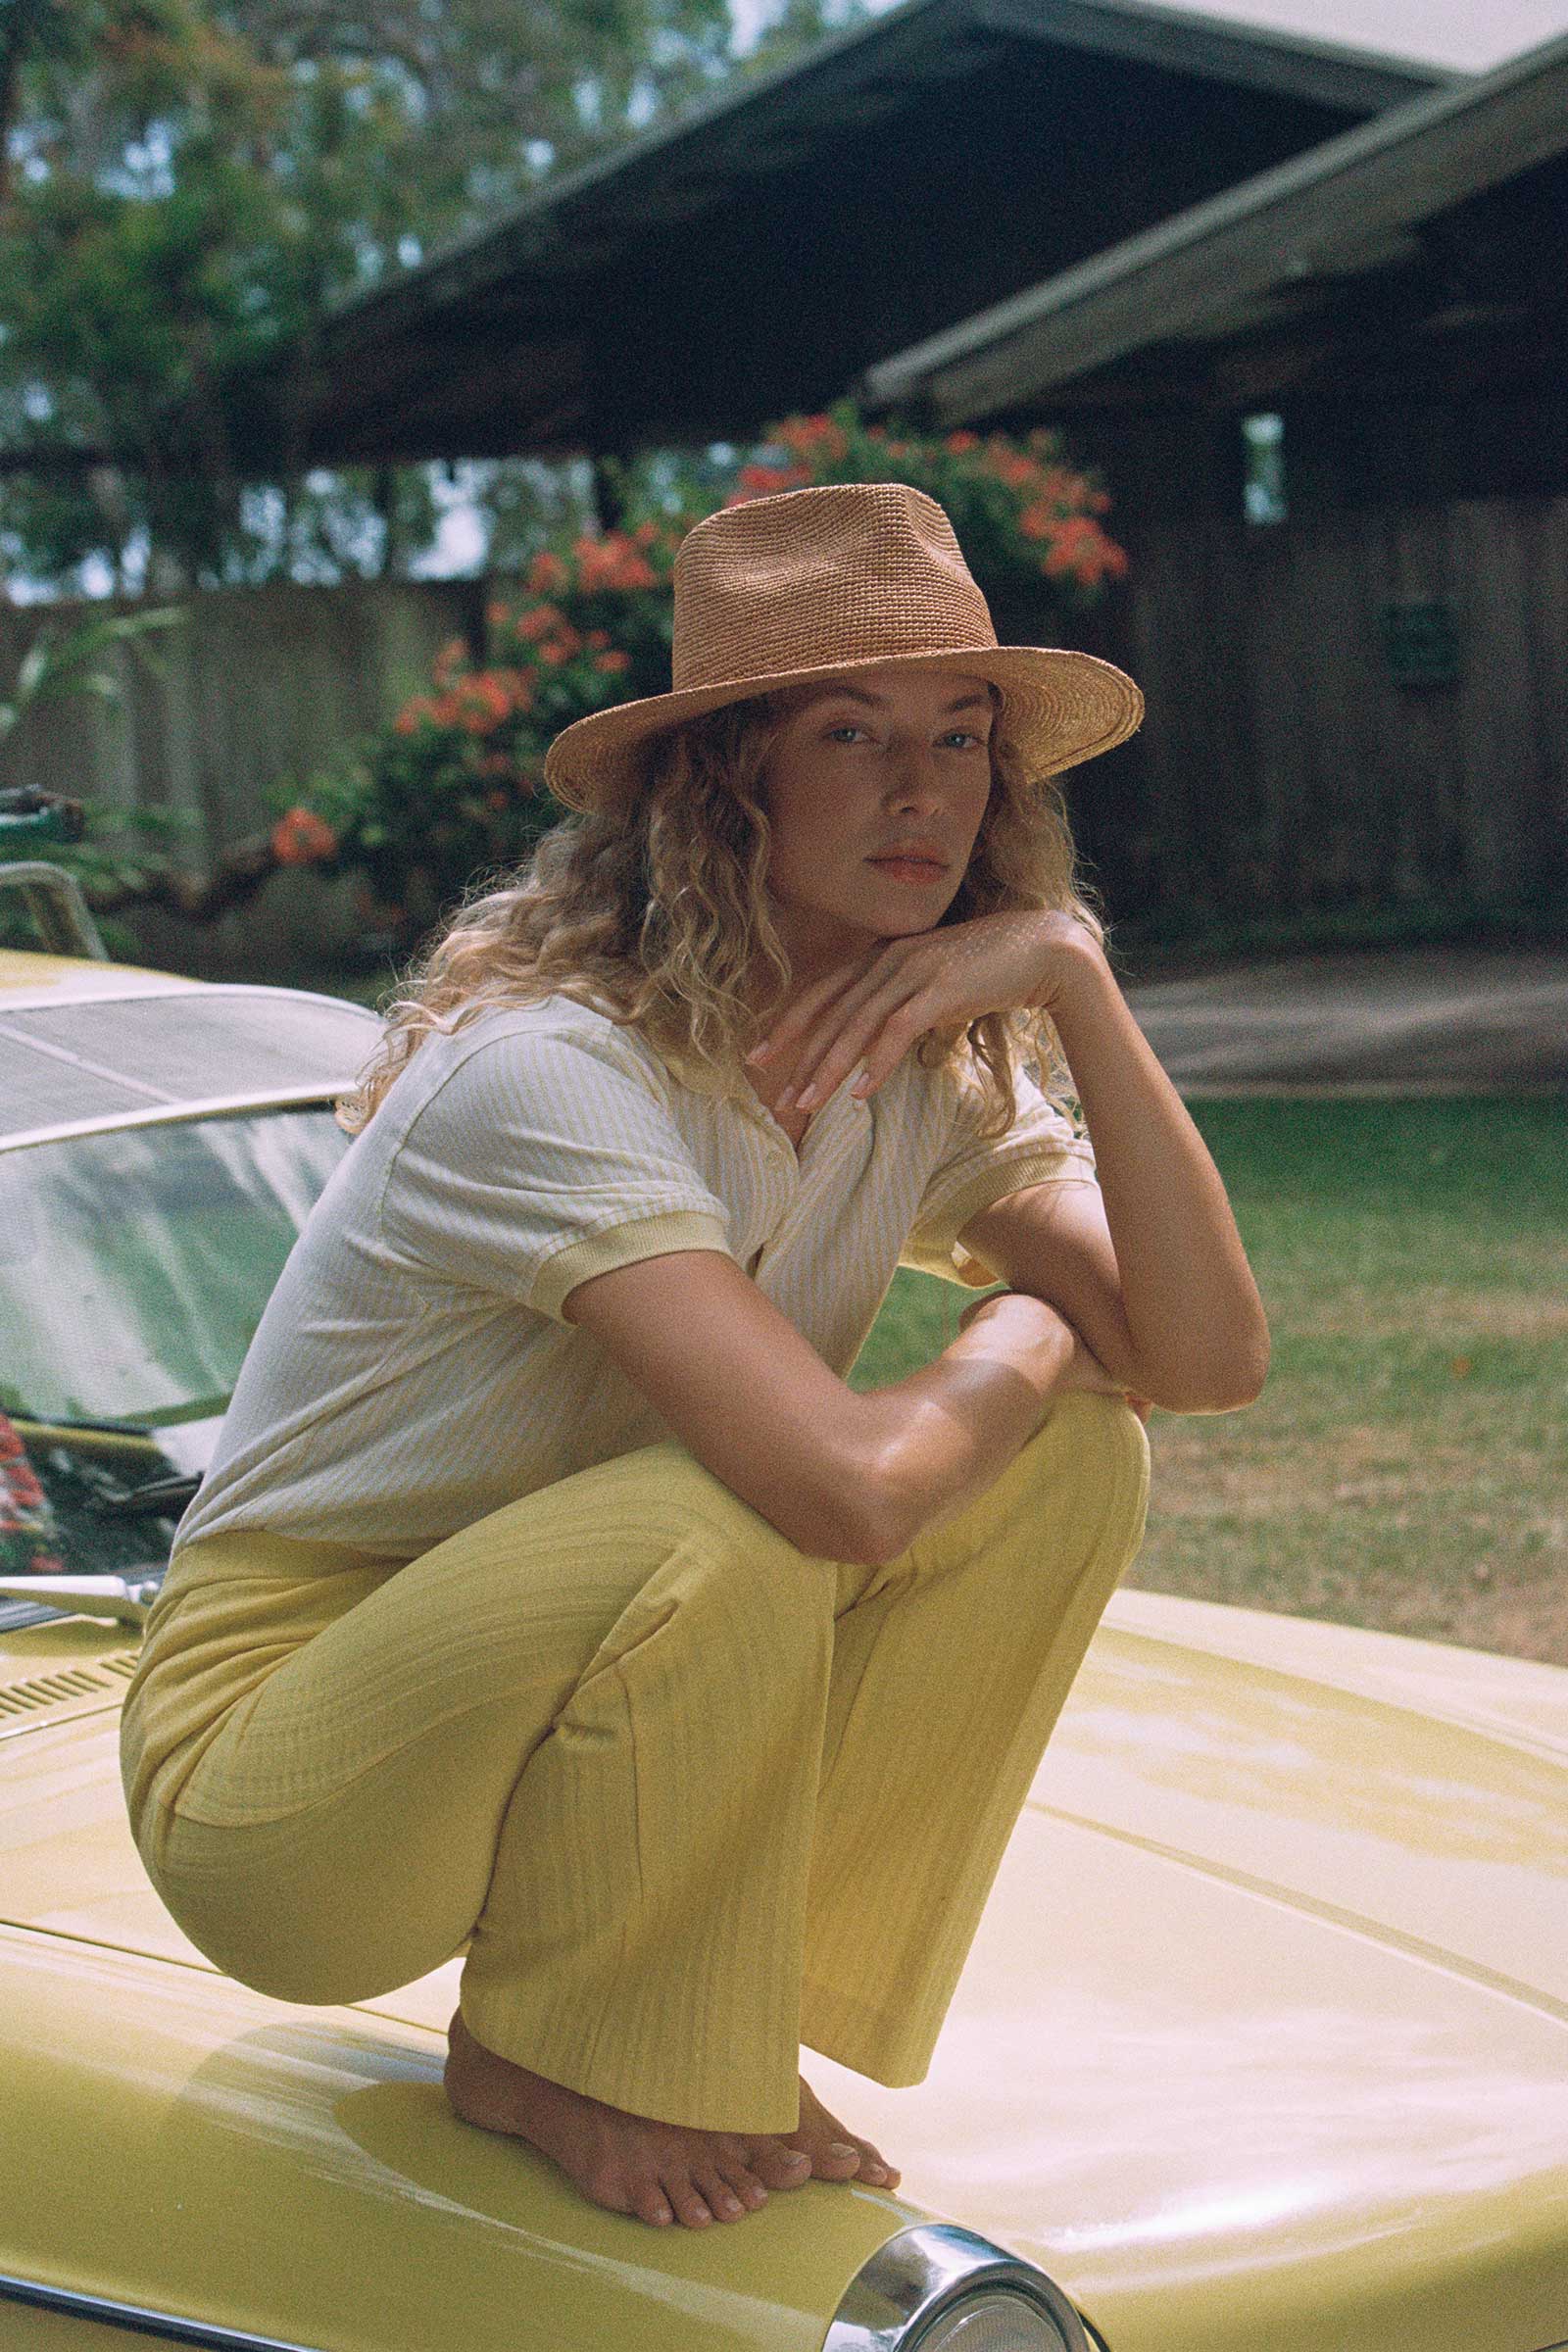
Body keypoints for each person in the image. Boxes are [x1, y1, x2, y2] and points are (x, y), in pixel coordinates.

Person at [120, 480, 1269, 2236]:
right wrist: (1037, 1326)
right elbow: (845, 1492)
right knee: (738, 1509)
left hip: (539, 1690)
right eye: (851, 734)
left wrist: (1076, 981)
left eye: (961, 738)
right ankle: (551, 2051)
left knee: (1073, 1457)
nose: (923, 791)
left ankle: (701, 2016)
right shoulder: (551, 1072)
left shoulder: (911, 1067)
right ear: (726, 781)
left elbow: (1207, 1354)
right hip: (279, 1784)